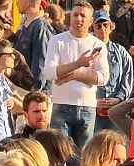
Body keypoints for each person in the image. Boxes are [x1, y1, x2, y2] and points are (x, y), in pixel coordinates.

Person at [42, 2, 110, 150]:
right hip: (61, 105)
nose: (79, 19)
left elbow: (103, 78)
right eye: (75, 15)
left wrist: (75, 75)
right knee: (60, 152)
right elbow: (50, 72)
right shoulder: (57, 40)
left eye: (83, 16)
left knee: (84, 155)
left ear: (90, 21)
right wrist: (79, 64)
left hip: (87, 107)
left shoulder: (97, 45)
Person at [90, 11, 134, 134]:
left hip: (115, 111)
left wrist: (118, 99)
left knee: (116, 142)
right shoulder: (87, 52)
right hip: (93, 111)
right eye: (98, 26)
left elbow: (127, 79)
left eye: (105, 25)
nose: (102, 29)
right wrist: (94, 101)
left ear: (111, 26)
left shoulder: (121, 53)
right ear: (93, 28)